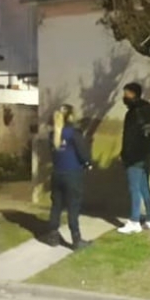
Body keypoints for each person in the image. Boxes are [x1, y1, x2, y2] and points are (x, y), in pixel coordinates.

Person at [46, 104, 93, 249]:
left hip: (57, 173)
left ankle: (53, 236)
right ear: (71, 116)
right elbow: (82, 152)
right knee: (73, 206)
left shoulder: (54, 134)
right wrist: (88, 163)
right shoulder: (74, 133)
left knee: (56, 206)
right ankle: (76, 239)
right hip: (72, 174)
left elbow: (54, 154)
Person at [118, 82, 150, 235]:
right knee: (144, 186)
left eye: (126, 93)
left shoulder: (133, 112)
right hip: (146, 154)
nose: (124, 97)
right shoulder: (148, 110)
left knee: (134, 188)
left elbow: (130, 137)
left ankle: (134, 221)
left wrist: (126, 155)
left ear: (133, 94)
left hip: (134, 156)